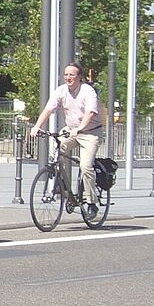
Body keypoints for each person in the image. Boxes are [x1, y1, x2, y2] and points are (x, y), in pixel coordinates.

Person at [30, 62, 102, 220]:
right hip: (70, 130)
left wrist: (80, 128)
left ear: (79, 77)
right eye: (66, 75)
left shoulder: (87, 91)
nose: (68, 78)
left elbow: (90, 113)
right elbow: (49, 109)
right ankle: (63, 187)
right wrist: (36, 126)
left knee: (85, 165)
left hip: (89, 132)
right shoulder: (61, 91)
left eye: (72, 75)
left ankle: (91, 202)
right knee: (55, 151)